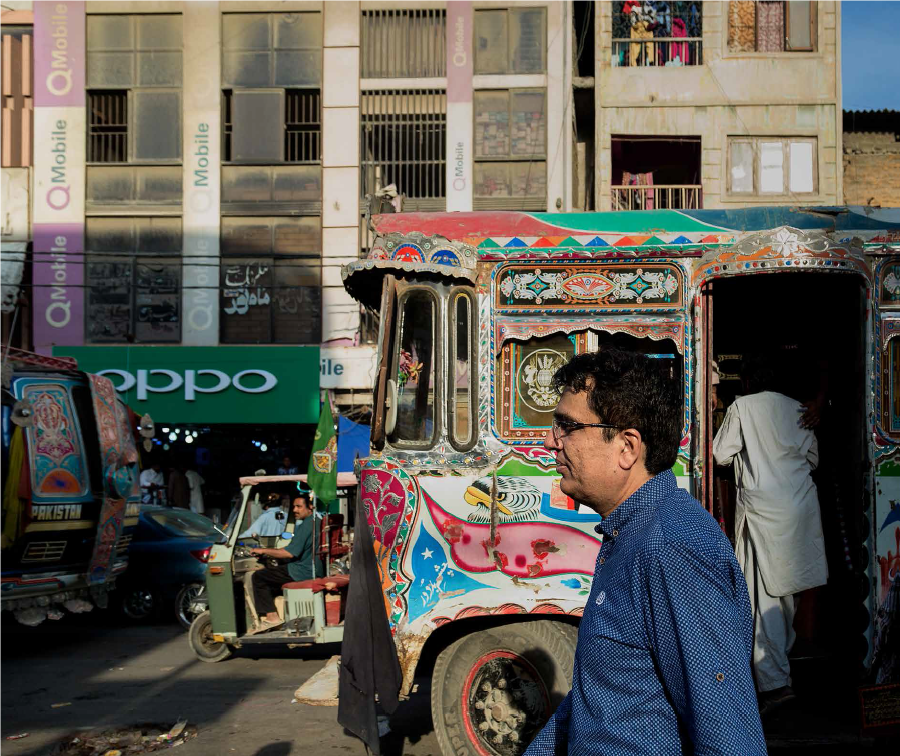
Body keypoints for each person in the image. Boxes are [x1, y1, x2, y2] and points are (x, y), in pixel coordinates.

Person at [525, 349, 765, 755]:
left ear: (627, 447)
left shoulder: (673, 548)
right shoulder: (630, 533)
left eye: (566, 426)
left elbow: (729, 735)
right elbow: (600, 703)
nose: (550, 441)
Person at [713, 354, 827, 715]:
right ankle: (780, 667)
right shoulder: (798, 409)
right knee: (787, 591)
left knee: (765, 600)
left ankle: (775, 684)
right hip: (799, 510)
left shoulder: (742, 407)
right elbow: (812, 460)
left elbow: (719, 454)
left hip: (763, 514)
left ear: (746, 383)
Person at [249, 495, 325, 631]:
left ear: (310, 507)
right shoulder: (316, 521)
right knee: (275, 571)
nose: (295, 510)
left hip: (302, 571)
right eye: (294, 506)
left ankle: (272, 618)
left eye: (299, 507)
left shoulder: (308, 524)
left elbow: (289, 553)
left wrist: (262, 550)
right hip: (310, 567)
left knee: (259, 577)